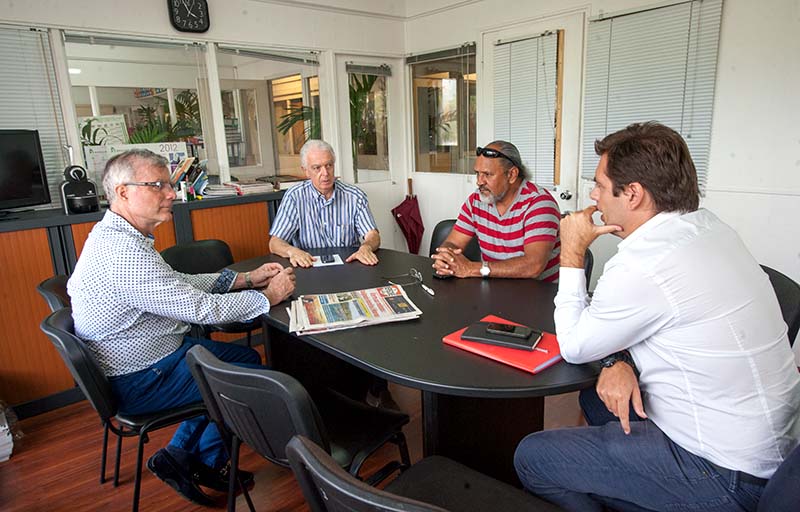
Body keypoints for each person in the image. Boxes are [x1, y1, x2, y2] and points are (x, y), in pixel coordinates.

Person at [514, 122, 800, 511]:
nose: (592, 195)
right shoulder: (711, 228)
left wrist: (572, 251)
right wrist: (616, 360)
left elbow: (575, 346)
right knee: (596, 399)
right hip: (773, 450)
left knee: (533, 457)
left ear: (632, 194)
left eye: (599, 184)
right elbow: (653, 319)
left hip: (724, 472)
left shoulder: (644, 264)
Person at [68, 149, 296, 506]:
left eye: (169, 185)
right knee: (244, 374)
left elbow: (175, 282)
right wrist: (269, 296)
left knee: (240, 360)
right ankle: (204, 461)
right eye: (157, 185)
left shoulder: (117, 236)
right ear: (123, 192)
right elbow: (198, 308)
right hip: (139, 379)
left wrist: (243, 279)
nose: (171, 193)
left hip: (147, 361)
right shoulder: (123, 254)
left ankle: (182, 456)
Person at [431, 141, 560, 281]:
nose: (479, 182)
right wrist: (446, 258)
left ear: (512, 174)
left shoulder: (539, 204)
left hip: (540, 295)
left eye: (487, 174)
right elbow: (454, 243)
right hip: (493, 289)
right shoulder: (476, 201)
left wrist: (470, 268)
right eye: (477, 174)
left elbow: (533, 265)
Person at [269, 139, 380, 267]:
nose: (325, 173)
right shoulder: (294, 197)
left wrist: (366, 247)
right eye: (317, 168)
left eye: (329, 165)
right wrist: (292, 251)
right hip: (309, 266)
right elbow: (275, 243)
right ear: (305, 171)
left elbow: (373, 236)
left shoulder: (354, 196)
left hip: (348, 265)